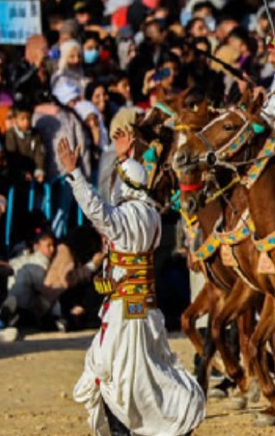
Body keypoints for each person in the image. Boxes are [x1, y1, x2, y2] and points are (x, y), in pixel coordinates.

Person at [55, 135, 205, 436]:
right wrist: (125, 159)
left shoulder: (125, 218)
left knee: (114, 372)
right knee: (140, 370)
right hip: (143, 308)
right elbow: (119, 199)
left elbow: (98, 209)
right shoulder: (151, 216)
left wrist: (75, 174)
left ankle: (138, 428)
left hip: (125, 310)